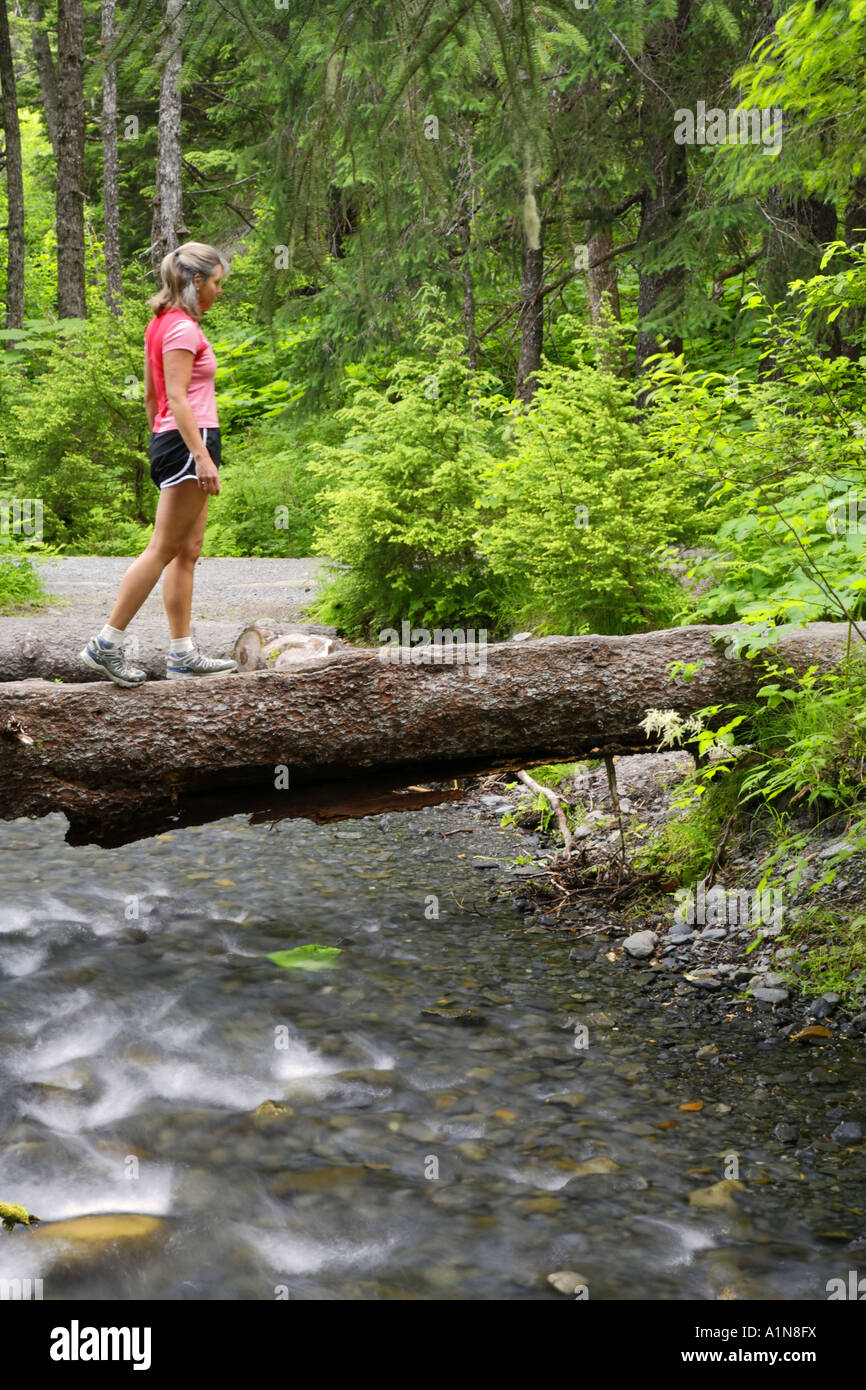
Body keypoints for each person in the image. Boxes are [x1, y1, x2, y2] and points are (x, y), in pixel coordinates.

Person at [80, 241, 238, 686]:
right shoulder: (183, 329)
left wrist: (162, 438)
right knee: (163, 548)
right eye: (217, 282)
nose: (219, 291)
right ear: (196, 281)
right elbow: (176, 397)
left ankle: (181, 654)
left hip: (175, 440)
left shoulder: (161, 324)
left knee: (187, 552)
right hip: (191, 441)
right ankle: (105, 644)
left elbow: (153, 399)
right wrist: (200, 456)